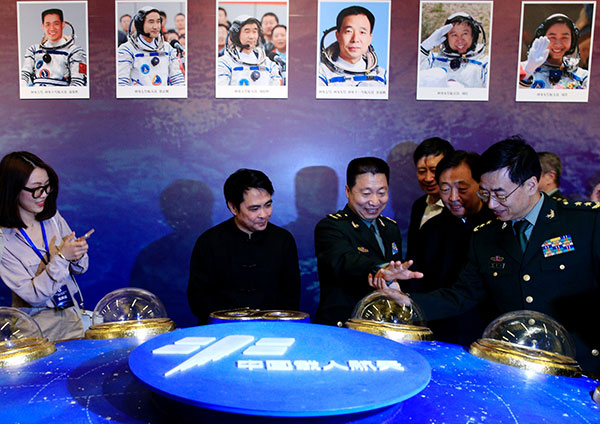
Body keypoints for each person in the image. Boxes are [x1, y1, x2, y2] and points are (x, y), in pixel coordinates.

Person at [371, 137, 600, 376]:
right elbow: (462, 294)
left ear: (531, 185)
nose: (491, 203)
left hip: (581, 369)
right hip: (514, 369)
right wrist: (407, 300)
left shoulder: (586, 223)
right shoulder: (486, 236)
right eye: (485, 193)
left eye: (500, 194)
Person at [315, 157, 422, 326]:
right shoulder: (331, 227)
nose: (374, 202)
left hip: (384, 325)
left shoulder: (390, 227)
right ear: (348, 191)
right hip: (344, 324)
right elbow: (347, 261)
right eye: (366, 194)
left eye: (381, 192)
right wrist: (380, 269)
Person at [187, 169, 301, 325]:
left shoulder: (283, 240)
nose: (264, 214)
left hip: (272, 330)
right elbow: (198, 298)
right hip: (220, 331)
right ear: (233, 207)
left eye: (268, 205)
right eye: (254, 209)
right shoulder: (209, 241)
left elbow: (291, 298)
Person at [0, 152, 90, 341]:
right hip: (36, 335)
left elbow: (80, 269)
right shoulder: (4, 240)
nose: (44, 195)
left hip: (72, 323)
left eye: (47, 186)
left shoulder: (52, 218)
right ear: (12, 190)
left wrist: (78, 253)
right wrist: (62, 258)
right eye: (36, 189)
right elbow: (34, 296)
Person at [409, 151, 495, 344]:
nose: (453, 197)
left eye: (462, 188)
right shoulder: (431, 229)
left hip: (487, 335)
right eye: (445, 189)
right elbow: (418, 282)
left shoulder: (497, 225)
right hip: (439, 333)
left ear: (480, 185)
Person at [405, 137, 454, 261]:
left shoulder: (458, 207)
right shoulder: (418, 205)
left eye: (434, 170)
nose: (428, 178)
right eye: (422, 171)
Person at [318, 5, 387, 87]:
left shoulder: (382, 75)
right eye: (348, 31)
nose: (355, 39)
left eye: (362, 32)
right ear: (338, 36)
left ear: (370, 39)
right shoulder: (321, 73)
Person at [117, 7, 185, 86]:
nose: (156, 27)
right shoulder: (127, 50)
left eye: (158, 22)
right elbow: (121, 84)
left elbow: (177, 80)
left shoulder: (167, 48)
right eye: (151, 22)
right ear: (140, 24)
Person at [419, 12, 488, 88]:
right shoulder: (432, 60)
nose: (460, 40)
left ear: (473, 36)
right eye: (454, 35)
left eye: (465, 34)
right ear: (446, 38)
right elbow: (409, 74)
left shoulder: (484, 64)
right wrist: (424, 48)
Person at [21, 8, 87, 87]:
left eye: (56, 23)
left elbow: (79, 84)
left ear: (63, 25)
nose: (52, 28)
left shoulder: (75, 52)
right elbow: (24, 77)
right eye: (47, 24)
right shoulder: (33, 50)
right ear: (43, 27)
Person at [519, 13, 588, 89]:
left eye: (564, 37)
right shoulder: (521, 69)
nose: (558, 44)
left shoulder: (583, 77)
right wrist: (528, 71)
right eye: (552, 37)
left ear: (573, 41)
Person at [217, 15, 282, 86]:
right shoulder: (224, 63)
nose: (251, 36)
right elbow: (222, 91)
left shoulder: (269, 64)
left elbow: (276, 91)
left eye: (254, 32)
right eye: (247, 32)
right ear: (236, 35)